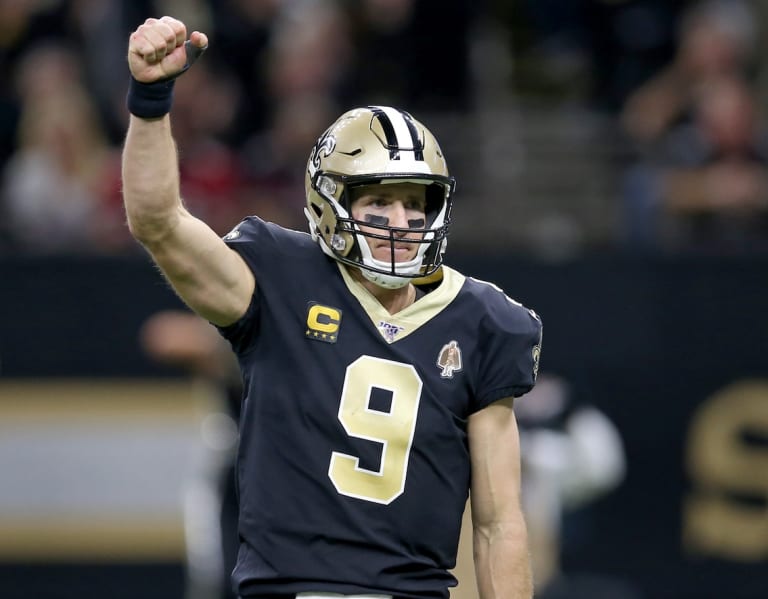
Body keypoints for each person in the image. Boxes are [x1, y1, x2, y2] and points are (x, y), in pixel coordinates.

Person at [122, 16, 542, 599]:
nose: (401, 222)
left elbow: (500, 524)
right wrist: (150, 101)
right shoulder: (279, 277)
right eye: (379, 203)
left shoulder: (484, 321)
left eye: (415, 203)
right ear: (329, 204)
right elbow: (158, 222)